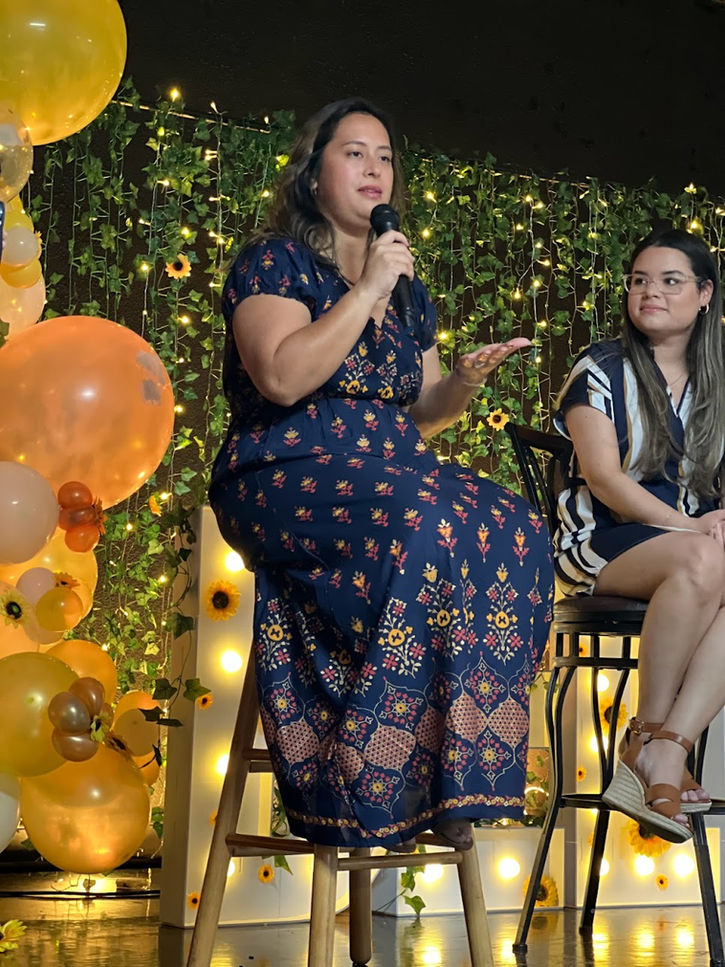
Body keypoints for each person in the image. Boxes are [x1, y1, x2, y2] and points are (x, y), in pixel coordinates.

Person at [209, 97, 553, 852]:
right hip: (284, 470)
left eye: (386, 156)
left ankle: (450, 770)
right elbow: (281, 377)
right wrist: (364, 290)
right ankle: (379, 770)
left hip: (387, 473)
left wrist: (462, 380)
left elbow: (420, 414)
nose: (375, 168)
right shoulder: (275, 262)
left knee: (517, 524)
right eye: (355, 153)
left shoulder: (407, 289)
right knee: (425, 517)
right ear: (313, 175)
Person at [554, 226, 725, 843]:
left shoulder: (719, 381)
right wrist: (695, 528)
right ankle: (651, 737)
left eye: (670, 281)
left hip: (695, 553)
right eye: (639, 281)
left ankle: (666, 747)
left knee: (707, 562)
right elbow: (603, 479)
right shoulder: (600, 368)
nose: (650, 292)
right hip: (602, 543)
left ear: (704, 294)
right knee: (703, 561)